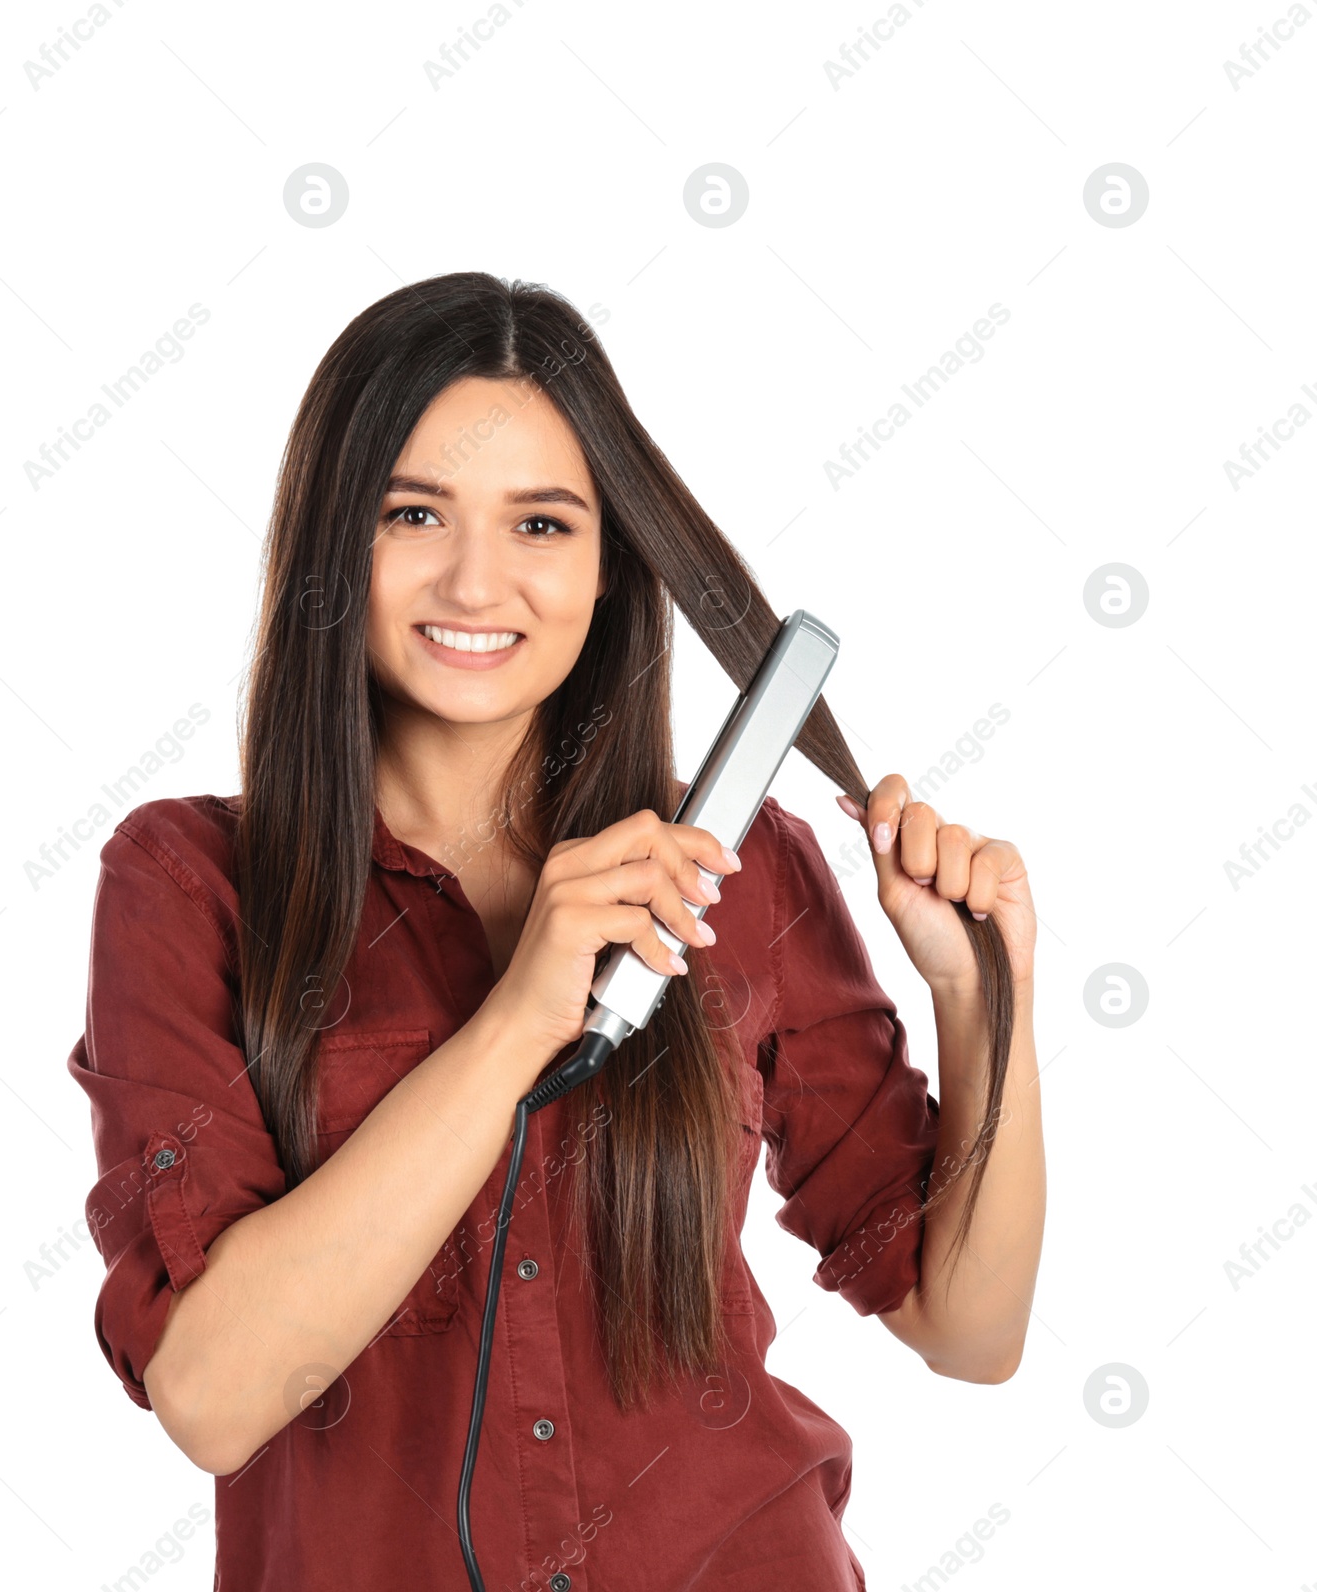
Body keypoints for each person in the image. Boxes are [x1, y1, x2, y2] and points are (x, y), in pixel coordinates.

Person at [67, 271, 1045, 1591]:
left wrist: (986, 1001)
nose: (479, 579)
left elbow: (971, 1330)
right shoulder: (191, 884)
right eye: (414, 512)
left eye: (543, 523)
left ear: (605, 565)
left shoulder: (738, 870)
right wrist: (527, 1012)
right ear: (330, 544)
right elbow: (216, 1393)